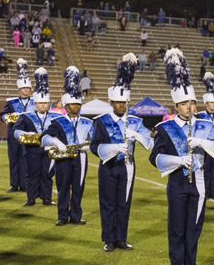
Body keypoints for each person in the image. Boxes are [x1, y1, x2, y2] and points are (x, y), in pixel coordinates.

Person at [149, 48, 214, 265]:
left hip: (200, 184)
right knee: (176, 229)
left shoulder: (205, 125)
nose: (189, 106)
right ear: (176, 105)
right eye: (183, 103)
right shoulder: (165, 128)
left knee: (194, 229)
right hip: (176, 183)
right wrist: (178, 161)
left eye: (191, 102)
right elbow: (154, 157)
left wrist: (203, 142)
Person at [90, 54, 153, 252]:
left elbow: (150, 143)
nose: (121, 106)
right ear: (111, 102)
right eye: (117, 103)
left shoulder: (135, 121)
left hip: (128, 167)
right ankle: (108, 238)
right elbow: (95, 146)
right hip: (108, 166)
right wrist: (114, 148)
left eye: (124, 103)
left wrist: (136, 134)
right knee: (108, 203)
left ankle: (121, 238)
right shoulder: (101, 121)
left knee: (124, 203)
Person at [43, 66, 94, 226]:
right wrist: (57, 143)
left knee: (78, 187)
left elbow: (95, 139)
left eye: (78, 104)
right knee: (63, 187)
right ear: (66, 105)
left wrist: (89, 146)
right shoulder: (58, 121)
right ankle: (62, 216)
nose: (76, 106)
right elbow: (44, 137)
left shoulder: (88, 122)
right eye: (72, 104)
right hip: (63, 158)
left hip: (81, 158)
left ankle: (76, 215)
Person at [14, 68, 55, 206]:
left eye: (45, 103)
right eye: (40, 103)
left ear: (48, 103)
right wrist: (24, 135)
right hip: (32, 150)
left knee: (47, 174)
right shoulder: (26, 116)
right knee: (32, 174)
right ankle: (31, 198)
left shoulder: (55, 117)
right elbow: (16, 129)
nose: (43, 105)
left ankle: (46, 198)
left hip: (49, 150)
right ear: (35, 104)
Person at [2, 60, 35, 192]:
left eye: (28, 88)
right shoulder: (11, 102)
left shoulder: (35, 101)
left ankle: (25, 184)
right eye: (23, 88)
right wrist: (8, 117)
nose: (26, 90)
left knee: (27, 159)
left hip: (30, 133)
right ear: (19, 89)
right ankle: (14, 184)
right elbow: (3, 114)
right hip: (13, 132)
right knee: (14, 157)